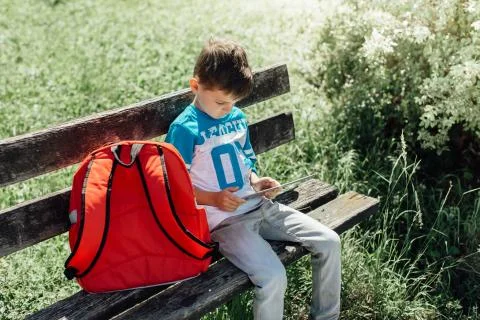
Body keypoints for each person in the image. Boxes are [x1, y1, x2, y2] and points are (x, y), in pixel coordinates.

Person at [165, 38, 341, 320]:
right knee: (273, 276)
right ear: (195, 86)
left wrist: (258, 183)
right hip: (225, 222)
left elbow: (245, 163)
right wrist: (213, 199)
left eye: (233, 102)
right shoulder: (185, 129)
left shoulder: (236, 118)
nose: (227, 108)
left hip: (260, 206)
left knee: (329, 241)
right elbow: (173, 187)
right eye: (221, 101)